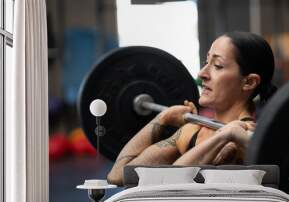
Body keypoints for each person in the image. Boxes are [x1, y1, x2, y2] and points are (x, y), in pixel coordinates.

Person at [107, 31, 276, 185]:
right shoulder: (192, 131)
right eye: (206, 62)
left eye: (217, 65)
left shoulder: (248, 139)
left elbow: (174, 183)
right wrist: (163, 118)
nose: (202, 73)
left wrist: (225, 136)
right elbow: (118, 176)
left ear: (249, 82)